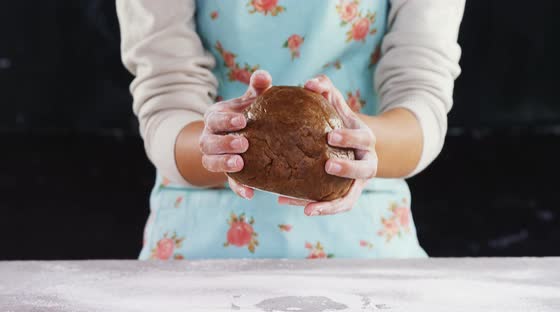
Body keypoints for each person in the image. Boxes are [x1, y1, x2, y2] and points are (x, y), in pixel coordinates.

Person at [116, 0, 464, 260]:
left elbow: (422, 92)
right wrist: (218, 146)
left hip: (366, 242)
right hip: (197, 243)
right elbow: (167, 96)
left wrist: (361, 149)